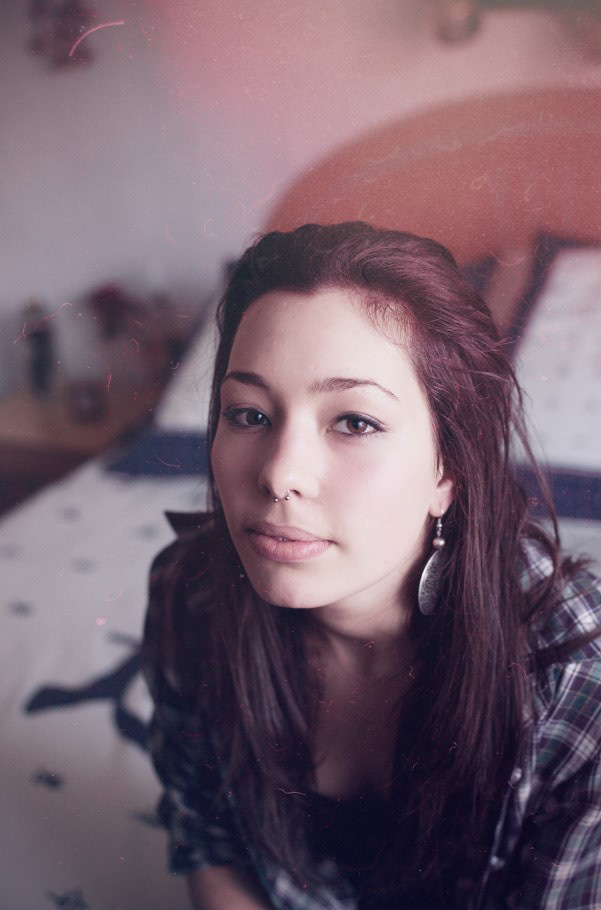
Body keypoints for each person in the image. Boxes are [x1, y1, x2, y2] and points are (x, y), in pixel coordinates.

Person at [142, 222, 601, 909]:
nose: (280, 475)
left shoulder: (577, 671)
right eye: (248, 414)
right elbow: (210, 840)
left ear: (448, 468)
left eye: (354, 422)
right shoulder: (192, 594)